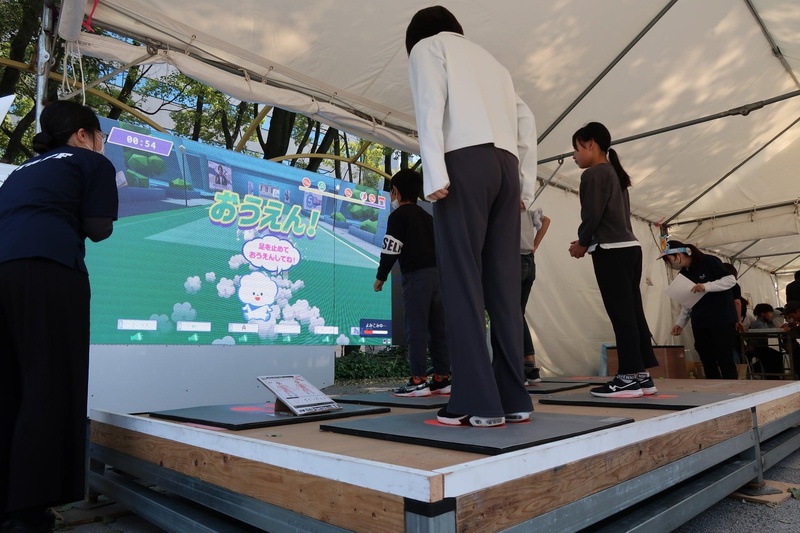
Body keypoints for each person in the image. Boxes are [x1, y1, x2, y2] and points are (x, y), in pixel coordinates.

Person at [406, 5, 537, 426]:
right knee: (503, 286)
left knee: (461, 280)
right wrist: (526, 185)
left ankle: (475, 401)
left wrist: (433, 172)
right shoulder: (494, 64)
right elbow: (526, 119)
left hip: (464, 161)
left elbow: (430, 104)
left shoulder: (428, 47)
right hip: (506, 166)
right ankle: (514, 396)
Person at [0, 100, 118, 532]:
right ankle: (30, 512)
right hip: (50, 268)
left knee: (8, 386)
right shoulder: (91, 161)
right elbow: (99, 228)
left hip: (3, 269)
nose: (101, 143)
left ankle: (6, 503)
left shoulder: (19, 172)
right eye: (101, 135)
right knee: (49, 385)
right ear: (84, 134)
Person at [568, 122, 658, 398]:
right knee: (632, 312)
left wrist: (582, 242)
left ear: (591, 143)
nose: (574, 156)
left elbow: (592, 214)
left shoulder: (594, 174)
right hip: (630, 248)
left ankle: (628, 377)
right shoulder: (615, 173)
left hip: (611, 250)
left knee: (622, 314)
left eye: (576, 149)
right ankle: (641, 374)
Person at [374, 169, 450, 397]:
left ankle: (418, 380)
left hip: (417, 277)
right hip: (439, 277)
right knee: (438, 329)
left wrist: (381, 276)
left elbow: (391, 248)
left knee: (416, 328)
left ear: (396, 191)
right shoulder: (429, 217)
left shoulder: (398, 216)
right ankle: (442, 378)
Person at [659, 241, 738, 379]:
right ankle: (713, 384)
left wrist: (707, 286)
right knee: (705, 355)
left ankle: (732, 385)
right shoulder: (683, 274)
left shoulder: (709, 261)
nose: (669, 264)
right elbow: (687, 301)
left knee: (724, 355)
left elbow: (730, 280)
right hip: (700, 320)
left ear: (679, 255)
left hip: (721, 318)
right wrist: (680, 323)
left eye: (669, 260)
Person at [519, 205, 550, 383]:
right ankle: (528, 364)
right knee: (517, 313)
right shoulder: (527, 208)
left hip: (514, 259)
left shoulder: (507, 203)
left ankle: (519, 367)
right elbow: (546, 220)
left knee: (509, 313)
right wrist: (534, 244)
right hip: (529, 261)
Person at [746, 304, 785, 378]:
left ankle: (773, 376)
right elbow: (768, 332)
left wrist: (780, 328)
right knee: (776, 356)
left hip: (761, 347)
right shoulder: (758, 323)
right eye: (770, 312)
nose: (771, 315)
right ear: (762, 313)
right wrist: (781, 329)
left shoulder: (764, 323)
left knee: (774, 356)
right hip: (757, 348)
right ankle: (773, 377)